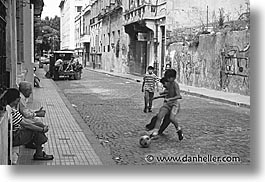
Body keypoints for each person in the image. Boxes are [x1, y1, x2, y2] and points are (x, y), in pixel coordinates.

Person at [4, 88, 54, 160]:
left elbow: (24, 120)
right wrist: (42, 129)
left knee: (37, 125)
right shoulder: (10, 111)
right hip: (14, 137)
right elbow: (26, 124)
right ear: (15, 99)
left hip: (16, 133)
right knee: (36, 131)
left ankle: (38, 148)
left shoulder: (11, 109)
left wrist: (38, 125)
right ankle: (39, 153)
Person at [150, 69, 183, 140]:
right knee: (160, 116)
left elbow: (179, 96)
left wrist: (169, 99)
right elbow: (167, 93)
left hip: (174, 104)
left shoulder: (175, 85)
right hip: (167, 104)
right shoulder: (168, 83)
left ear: (173, 78)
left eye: (169, 78)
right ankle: (155, 132)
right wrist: (157, 97)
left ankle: (179, 130)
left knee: (171, 118)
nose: (167, 79)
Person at [18, 81, 47, 148]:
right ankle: (38, 150)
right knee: (38, 125)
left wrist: (36, 112)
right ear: (25, 90)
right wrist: (37, 114)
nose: (31, 93)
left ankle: (35, 144)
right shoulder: (20, 99)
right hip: (21, 122)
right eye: (29, 90)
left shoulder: (22, 98)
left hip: (22, 120)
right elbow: (25, 115)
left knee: (38, 124)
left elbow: (26, 110)